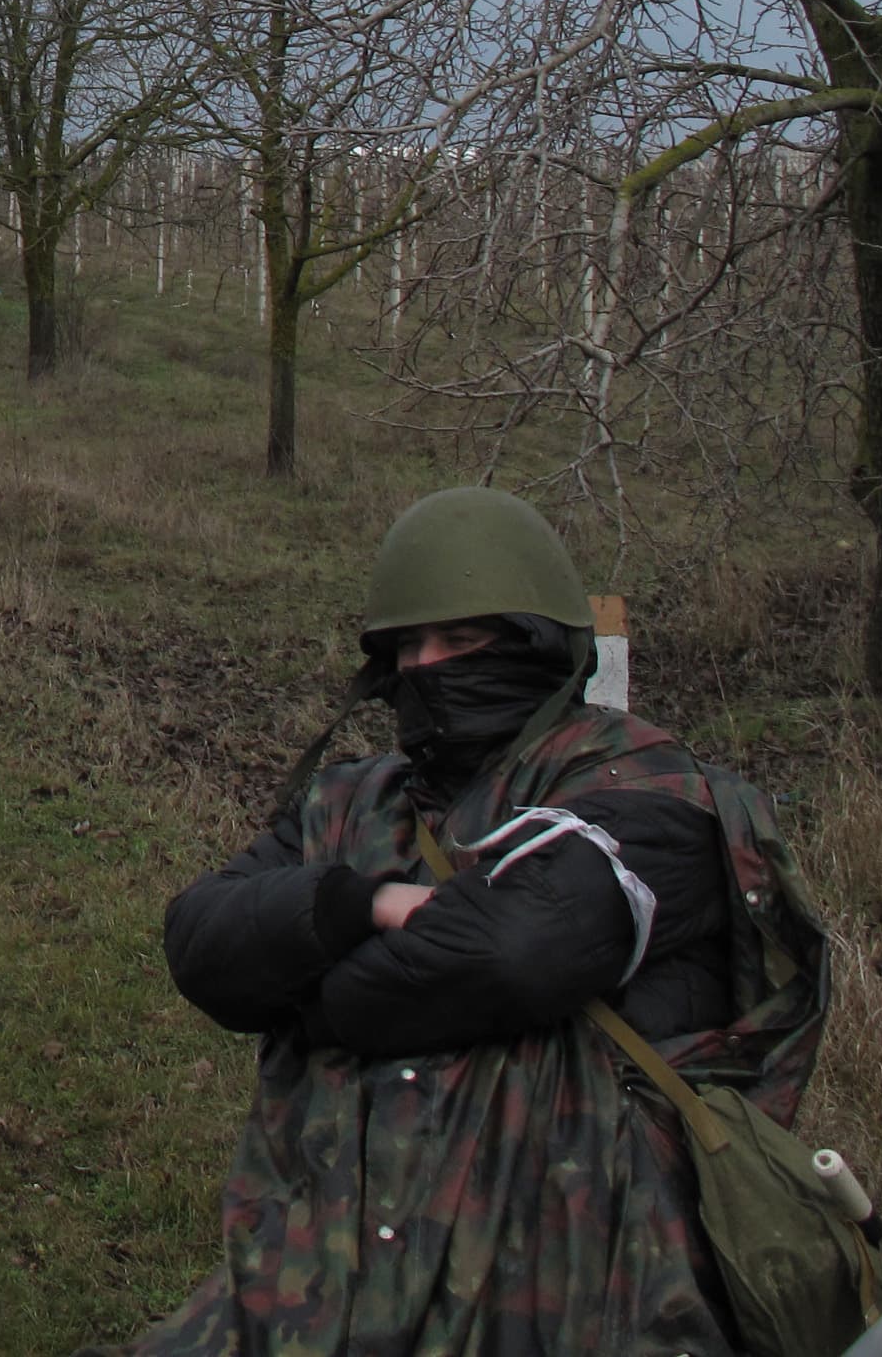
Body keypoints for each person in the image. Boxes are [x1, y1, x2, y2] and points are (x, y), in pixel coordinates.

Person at [109, 486, 833, 1356]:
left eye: (462, 640)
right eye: (410, 645)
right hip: (319, 1288)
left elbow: (511, 949)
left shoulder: (653, 790)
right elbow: (201, 940)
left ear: (535, 645)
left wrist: (309, 1003)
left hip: (584, 1294)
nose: (429, 665)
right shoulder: (348, 800)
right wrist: (353, 904)